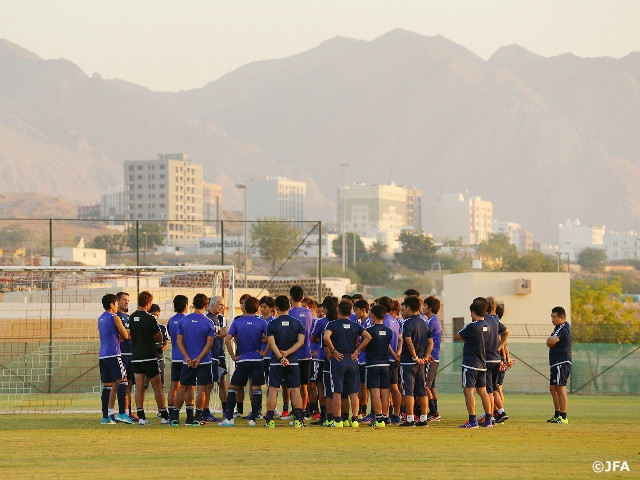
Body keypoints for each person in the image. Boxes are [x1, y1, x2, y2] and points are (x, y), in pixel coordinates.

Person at [323, 299, 372, 428]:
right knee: (353, 392)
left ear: (338, 311)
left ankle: (338, 420)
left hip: (338, 359)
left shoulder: (332, 324)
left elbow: (326, 337)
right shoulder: (354, 325)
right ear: (351, 312)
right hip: (352, 359)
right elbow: (368, 337)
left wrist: (333, 350)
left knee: (337, 391)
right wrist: (357, 351)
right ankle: (355, 419)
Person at [221, 296, 267, 426]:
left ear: (245, 307)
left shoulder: (237, 322)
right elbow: (270, 339)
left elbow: (227, 339)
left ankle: (229, 419)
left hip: (243, 360)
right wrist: (264, 353)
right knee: (256, 388)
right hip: (258, 360)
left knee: (233, 387)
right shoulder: (262, 322)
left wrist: (233, 356)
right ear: (257, 308)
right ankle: (253, 418)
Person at [171, 293, 216, 426]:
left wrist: (187, 357)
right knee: (201, 389)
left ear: (193, 304)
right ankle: (197, 418)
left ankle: (175, 418)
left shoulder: (184, 320)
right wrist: (199, 358)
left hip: (187, 361)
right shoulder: (209, 322)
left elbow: (179, 340)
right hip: (204, 361)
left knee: (183, 388)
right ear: (206, 305)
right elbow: (210, 343)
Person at [263, 295, 306, 428]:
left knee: (273, 390)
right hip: (292, 361)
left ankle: (270, 420)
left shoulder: (272, 324)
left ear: (275, 308)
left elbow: (271, 343)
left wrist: (281, 357)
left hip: (277, 361)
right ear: (289, 306)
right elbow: (301, 342)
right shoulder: (297, 323)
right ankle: (299, 420)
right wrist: (288, 353)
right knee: (295, 390)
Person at [129, 291, 170, 424]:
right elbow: (159, 337)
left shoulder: (132, 317)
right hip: (149, 357)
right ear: (148, 302)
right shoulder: (150, 318)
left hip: (136, 356)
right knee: (157, 386)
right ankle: (164, 415)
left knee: (139, 387)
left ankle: (141, 417)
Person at [455, 299, 493, 428]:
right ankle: (489, 420)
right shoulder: (487, 325)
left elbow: (457, 336)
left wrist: (466, 339)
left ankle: (472, 421)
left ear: (473, 311)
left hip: (470, 364)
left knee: (468, 391)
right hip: (482, 364)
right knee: (483, 391)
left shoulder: (472, 326)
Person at [398, 295, 433, 427]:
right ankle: (423, 419)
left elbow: (408, 341)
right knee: (422, 390)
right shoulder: (425, 322)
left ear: (409, 308)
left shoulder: (407, 323)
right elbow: (431, 342)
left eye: (405, 308)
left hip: (409, 362)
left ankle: (410, 419)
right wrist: (425, 357)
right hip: (421, 363)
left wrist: (415, 357)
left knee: (408, 390)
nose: (404, 311)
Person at [98, 293, 130, 424]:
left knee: (107, 386)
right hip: (114, 354)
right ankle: (122, 413)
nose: (117, 306)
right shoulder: (115, 317)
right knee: (123, 381)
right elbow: (125, 336)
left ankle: (105, 417)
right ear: (112, 304)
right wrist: (123, 334)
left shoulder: (100, 318)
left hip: (103, 356)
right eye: (116, 303)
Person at [166, 295, 195, 424]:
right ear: (186, 305)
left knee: (174, 386)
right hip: (186, 358)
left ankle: (172, 414)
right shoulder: (187, 320)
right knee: (189, 387)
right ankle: (190, 415)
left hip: (175, 357)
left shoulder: (171, 321)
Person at [364, 304, 394, 428]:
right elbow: (387, 345)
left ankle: (378, 418)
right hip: (386, 364)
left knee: (375, 393)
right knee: (385, 392)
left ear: (373, 316)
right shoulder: (389, 331)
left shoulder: (369, 331)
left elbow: (364, 346)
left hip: (372, 365)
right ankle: (385, 417)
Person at [288, 285, 314, 418]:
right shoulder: (309, 313)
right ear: (302, 297)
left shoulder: (290, 313)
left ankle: (295, 411)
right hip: (307, 354)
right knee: (304, 386)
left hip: (293, 354)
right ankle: (303, 411)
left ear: (290, 298)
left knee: (294, 385)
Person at [483, 296, 510, 425]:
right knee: (494, 388)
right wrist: (498, 348)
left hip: (487, 359)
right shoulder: (496, 320)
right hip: (496, 359)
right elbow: (506, 333)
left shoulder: (486, 320)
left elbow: (482, 334)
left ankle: (491, 417)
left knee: (488, 390)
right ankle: (501, 411)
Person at [204, 295, 228, 423]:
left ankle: (226, 410)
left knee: (222, 382)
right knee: (209, 384)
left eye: (223, 305)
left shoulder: (220, 318)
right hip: (211, 355)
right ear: (212, 305)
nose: (222, 307)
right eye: (220, 305)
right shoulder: (206, 318)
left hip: (220, 354)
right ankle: (205, 411)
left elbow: (225, 332)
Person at [546, 306, 572, 424]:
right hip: (555, 363)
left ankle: (564, 417)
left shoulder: (564, 328)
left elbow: (552, 341)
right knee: (553, 388)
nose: (552, 319)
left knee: (561, 389)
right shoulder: (557, 327)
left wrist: (550, 341)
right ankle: (557, 414)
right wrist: (550, 341)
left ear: (561, 317)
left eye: (554, 317)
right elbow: (551, 342)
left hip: (561, 362)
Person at [115, 291, 136, 421]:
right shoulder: (115, 316)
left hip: (131, 354)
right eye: (124, 299)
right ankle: (120, 412)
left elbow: (130, 334)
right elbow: (121, 335)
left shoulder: (128, 317)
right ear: (117, 301)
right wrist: (126, 333)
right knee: (120, 384)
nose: (126, 302)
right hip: (121, 354)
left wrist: (127, 333)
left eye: (128, 300)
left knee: (129, 385)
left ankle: (128, 412)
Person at [423, 296, 442, 422]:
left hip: (431, 358)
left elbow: (428, 341)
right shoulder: (434, 320)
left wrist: (426, 356)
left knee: (425, 386)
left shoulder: (431, 322)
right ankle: (434, 411)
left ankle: (434, 413)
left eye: (424, 306)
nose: (422, 308)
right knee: (431, 386)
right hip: (434, 358)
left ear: (429, 308)